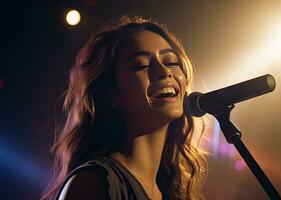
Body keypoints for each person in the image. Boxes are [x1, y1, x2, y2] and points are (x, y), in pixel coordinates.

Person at [41, 16, 207, 200]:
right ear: (111, 94)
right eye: (141, 65)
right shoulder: (92, 183)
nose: (164, 71)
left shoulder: (172, 192)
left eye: (171, 62)